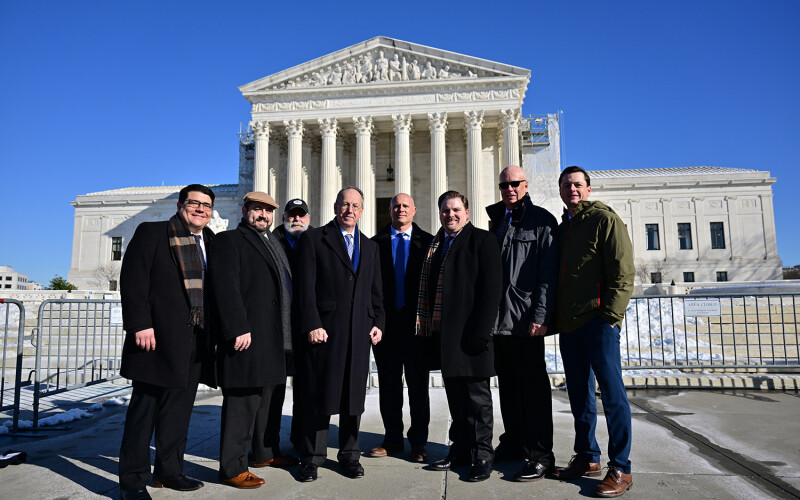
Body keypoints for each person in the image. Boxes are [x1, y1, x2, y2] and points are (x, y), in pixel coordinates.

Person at [118, 184, 217, 500]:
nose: (200, 209)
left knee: (178, 410)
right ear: (180, 205)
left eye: (206, 205)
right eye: (194, 203)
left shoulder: (211, 242)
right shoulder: (152, 233)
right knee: (143, 412)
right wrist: (140, 324)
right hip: (155, 339)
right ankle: (132, 482)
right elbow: (133, 281)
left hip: (193, 339)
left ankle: (169, 471)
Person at [552, 166, 635, 498]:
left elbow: (623, 270)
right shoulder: (564, 228)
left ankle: (622, 467)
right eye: (566, 185)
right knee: (579, 397)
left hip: (598, 322)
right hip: (570, 326)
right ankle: (587, 457)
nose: (572, 189)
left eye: (577, 184)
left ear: (588, 189)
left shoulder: (605, 220)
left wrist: (611, 317)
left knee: (612, 395)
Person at [294, 186, 385, 482]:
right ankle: (312, 457)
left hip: (359, 332)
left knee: (353, 397)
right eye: (345, 205)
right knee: (319, 395)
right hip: (324, 331)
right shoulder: (314, 238)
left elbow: (376, 293)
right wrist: (312, 323)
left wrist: (378, 323)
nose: (350, 210)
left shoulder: (369, 247)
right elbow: (304, 288)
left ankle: (349, 454)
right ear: (335, 207)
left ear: (362, 211)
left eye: (355, 206)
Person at [211, 192, 295, 489]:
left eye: (268, 211)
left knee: (270, 401)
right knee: (242, 402)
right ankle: (232, 467)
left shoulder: (273, 242)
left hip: (276, 338)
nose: (263, 215)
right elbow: (225, 288)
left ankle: (265, 453)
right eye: (257, 209)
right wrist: (236, 327)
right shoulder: (229, 241)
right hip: (248, 337)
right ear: (244, 210)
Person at [420, 191, 502, 482]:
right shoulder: (437, 244)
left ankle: (482, 455)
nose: (450, 215)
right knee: (456, 398)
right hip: (447, 336)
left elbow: (492, 290)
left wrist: (481, 333)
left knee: (478, 400)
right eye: (445, 210)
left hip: (473, 336)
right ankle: (461, 450)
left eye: (455, 210)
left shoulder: (482, 240)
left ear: (467, 212)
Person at [485, 165, 559, 482]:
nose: (510, 189)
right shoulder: (497, 219)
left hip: (526, 320)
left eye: (515, 184)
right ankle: (514, 443)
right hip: (501, 322)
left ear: (525, 185)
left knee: (534, 393)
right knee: (509, 390)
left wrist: (541, 317)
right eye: (504, 185)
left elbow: (547, 275)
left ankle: (540, 455)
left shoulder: (541, 220)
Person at [369, 193, 434, 462]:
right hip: (386, 329)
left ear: (415, 210)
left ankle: (419, 442)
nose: (401, 210)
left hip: (417, 328)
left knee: (419, 387)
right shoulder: (375, 244)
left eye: (406, 205)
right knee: (389, 387)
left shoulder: (429, 243)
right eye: (396, 206)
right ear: (390, 210)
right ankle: (392, 438)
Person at [271, 198, 313, 452]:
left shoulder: (316, 241)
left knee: (306, 391)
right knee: (273, 391)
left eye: (301, 215)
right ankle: (268, 445)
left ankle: (300, 440)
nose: (296, 219)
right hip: (278, 328)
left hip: (306, 327)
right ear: (284, 216)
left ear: (308, 218)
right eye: (292, 215)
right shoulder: (272, 241)